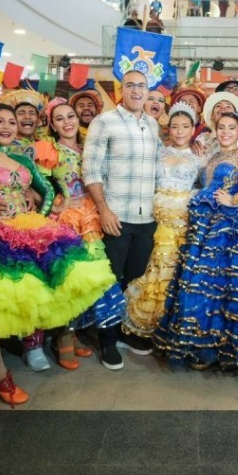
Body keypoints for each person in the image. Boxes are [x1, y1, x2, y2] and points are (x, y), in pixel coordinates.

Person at [0, 104, 117, 398]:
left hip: (27, 230)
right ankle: (0, 377)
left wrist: (53, 204)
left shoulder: (21, 158)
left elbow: (45, 190)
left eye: (11, 122)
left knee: (30, 299)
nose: (7, 127)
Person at [155, 108, 238, 371]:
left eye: (231, 128)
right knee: (203, 283)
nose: (226, 132)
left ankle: (220, 347)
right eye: (221, 127)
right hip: (205, 224)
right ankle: (202, 344)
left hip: (229, 227)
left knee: (223, 283)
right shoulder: (213, 156)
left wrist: (235, 200)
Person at [30, 99, 127, 370]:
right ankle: (63, 337)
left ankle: (75, 332)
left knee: (92, 279)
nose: (67, 122)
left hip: (94, 216)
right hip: (68, 220)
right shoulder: (49, 149)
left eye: (70, 116)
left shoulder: (89, 147)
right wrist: (55, 205)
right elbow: (36, 184)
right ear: (52, 125)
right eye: (59, 118)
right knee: (69, 279)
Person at [82, 69, 162, 366]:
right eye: (130, 85)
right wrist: (103, 209)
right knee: (111, 280)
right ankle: (107, 340)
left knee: (135, 278)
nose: (136, 91)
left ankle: (125, 331)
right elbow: (90, 169)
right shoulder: (104, 122)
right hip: (116, 216)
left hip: (147, 217)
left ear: (147, 90)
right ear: (121, 90)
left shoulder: (152, 124)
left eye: (142, 86)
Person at [123, 101, 203, 339]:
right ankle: (151, 323)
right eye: (175, 126)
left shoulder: (200, 156)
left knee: (174, 266)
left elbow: (207, 185)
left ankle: (170, 325)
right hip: (154, 215)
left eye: (185, 126)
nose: (180, 131)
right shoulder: (159, 151)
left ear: (193, 129)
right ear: (168, 129)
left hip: (183, 220)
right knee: (152, 263)